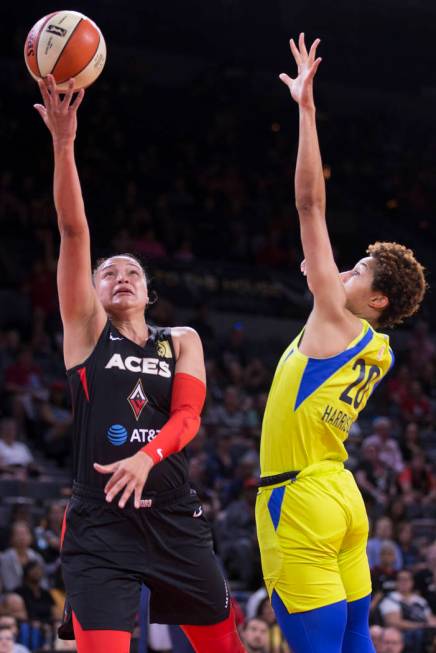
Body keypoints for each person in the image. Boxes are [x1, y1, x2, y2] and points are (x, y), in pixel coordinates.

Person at [33, 74, 245, 653]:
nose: (120, 276)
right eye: (108, 273)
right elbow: (73, 230)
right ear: (94, 292)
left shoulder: (181, 339)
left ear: (149, 292)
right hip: (100, 524)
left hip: (175, 516)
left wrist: (145, 458)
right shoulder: (85, 332)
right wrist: (63, 141)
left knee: (225, 648)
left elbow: (188, 418)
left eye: (132, 272)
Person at [255, 33, 426, 653]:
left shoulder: (335, 318)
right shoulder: (375, 346)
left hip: (299, 498)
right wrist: (322, 281)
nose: (343, 273)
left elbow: (309, 204)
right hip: (342, 498)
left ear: (378, 299)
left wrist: (305, 111)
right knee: (358, 643)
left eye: (357, 272)